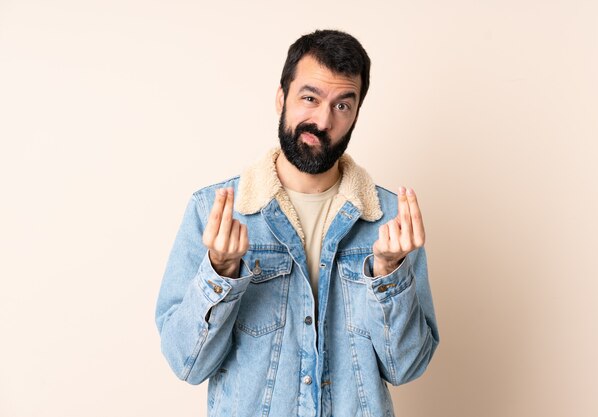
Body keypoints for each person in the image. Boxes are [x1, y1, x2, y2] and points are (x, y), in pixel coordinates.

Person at [155, 29, 439, 417]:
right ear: (281, 97)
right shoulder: (215, 211)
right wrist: (220, 271)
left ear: (356, 114)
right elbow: (187, 363)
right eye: (310, 98)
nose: (322, 120)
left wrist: (389, 273)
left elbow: (406, 368)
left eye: (342, 105)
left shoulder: (390, 221)